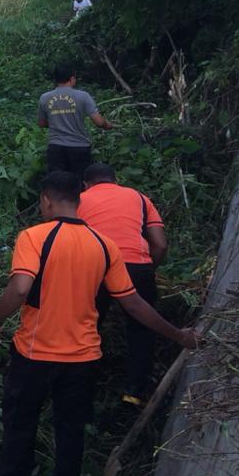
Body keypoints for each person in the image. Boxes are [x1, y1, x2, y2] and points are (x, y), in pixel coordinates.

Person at [0, 172, 198, 476]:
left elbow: (20, 288)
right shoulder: (104, 245)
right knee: (70, 432)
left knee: (20, 425)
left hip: (34, 354)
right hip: (82, 358)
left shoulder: (34, 237)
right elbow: (133, 303)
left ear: (47, 201)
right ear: (78, 202)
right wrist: (178, 335)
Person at [79, 163, 169, 406]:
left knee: (87, 325)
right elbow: (160, 244)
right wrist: (147, 271)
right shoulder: (139, 198)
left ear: (86, 184)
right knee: (141, 328)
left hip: (93, 266)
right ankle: (134, 392)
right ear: (115, 180)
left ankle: (82, 389)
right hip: (135, 265)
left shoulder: (78, 200)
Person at [37, 64, 113, 176]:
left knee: (57, 185)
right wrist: (108, 125)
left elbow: (41, 123)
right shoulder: (83, 96)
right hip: (79, 148)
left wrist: (57, 122)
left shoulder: (45, 97)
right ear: (72, 78)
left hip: (56, 148)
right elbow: (99, 122)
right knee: (79, 184)